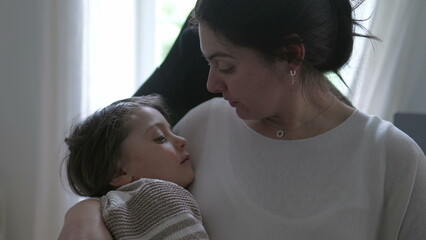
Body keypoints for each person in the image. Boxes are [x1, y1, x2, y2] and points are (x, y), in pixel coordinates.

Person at [59, 0, 426, 239]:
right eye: (207, 64)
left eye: (226, 66)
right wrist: (85, 212)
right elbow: (125, 185)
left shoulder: (393, 160)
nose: (211, 84)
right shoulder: (200, 130)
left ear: (291, 56)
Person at [59, 95, 208, 240]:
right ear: (120, 173)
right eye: (160, 138)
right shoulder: (157, 195)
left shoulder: (110, 213)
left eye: (173, 132)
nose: (182, 140)